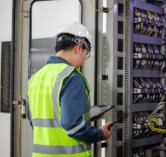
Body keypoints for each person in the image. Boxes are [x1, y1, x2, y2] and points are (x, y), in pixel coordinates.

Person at [27, 22, 112, 157]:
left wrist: (86, 116)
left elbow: (37, 121)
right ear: (79, 47)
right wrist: (100, 134)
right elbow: (72, 126)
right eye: (86, 54)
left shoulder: (35, 78)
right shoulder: (72, 77)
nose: (84, 59)